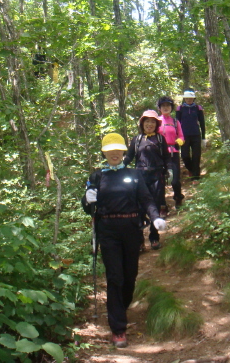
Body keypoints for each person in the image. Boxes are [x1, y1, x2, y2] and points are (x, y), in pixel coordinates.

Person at [82, 133, 166, 348]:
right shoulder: (97, 176)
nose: (114, 154)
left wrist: (155, 217)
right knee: (115, 277)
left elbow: (146, 199)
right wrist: (87, 199)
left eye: (118, 150)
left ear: (123, 152)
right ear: (104, 153)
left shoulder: (134, 174)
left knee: (130, 276)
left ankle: (120, 307)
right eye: (110, 150)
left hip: (131, 230)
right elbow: (88, 207)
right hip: (108, 231)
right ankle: (118, 328)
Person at [123, 110, 170, 250]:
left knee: (154, 207)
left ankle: (154, 238)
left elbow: (167, 158)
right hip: (140, 178)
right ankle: (139, 241)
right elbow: (129, 157)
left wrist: (170, 170)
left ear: (157, 124)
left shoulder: (161, 139)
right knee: (138, 208)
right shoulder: (136, 140)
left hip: (157, 177)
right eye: (147, 121)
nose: (150, 124)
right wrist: (118, 168)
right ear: (142, 123)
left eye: (153, 121)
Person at [157, 96, 185, 208]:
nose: (165, 107)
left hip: (173, 152)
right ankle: (162, 205)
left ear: (171, 107)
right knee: (161, 181)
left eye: (168, 105)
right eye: (163, 105)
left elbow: (182, 136)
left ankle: (178, 198)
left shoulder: (175, 121)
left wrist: (179, 141)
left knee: (175, 180)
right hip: (160, 154)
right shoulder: (157, 121)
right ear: (159, 108)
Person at [176, 89, 206, 182]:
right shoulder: (180, 108)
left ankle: (196, 177)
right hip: (184, 136)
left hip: (196, 135)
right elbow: (177, 123)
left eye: (191, 98)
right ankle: (191, 170)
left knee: (196, 156)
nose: (189, 100)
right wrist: (177, 136)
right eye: (187, 98)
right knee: (185, 156)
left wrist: (203, 138)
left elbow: (202, 123)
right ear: (184, 98)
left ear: (194, 99)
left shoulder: (198, 108)